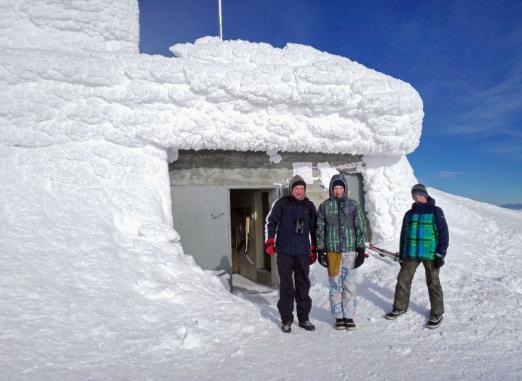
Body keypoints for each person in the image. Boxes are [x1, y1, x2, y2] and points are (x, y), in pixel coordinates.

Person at [385, 183, 449, 329]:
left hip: (430, 254)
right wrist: (402, 254)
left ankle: (437, 313)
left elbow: (444, 233)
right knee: (403, 280)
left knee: (433, 282)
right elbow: (403, 235)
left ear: (425, 195)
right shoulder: (409, 213)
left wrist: (441, 254)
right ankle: (399, 307)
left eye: (419, 194)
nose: (417, 197)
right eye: (414, 195)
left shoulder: (436, 211)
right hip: (411, 253)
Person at [265, 175, 318, 333]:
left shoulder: (309, 206)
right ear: (291, 189)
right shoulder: (281, 203)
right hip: (284, 251)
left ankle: (304, 318)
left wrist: (314, 247)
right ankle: (286, 319)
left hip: (302, 252)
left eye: (302, 188)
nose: (299, 191)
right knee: (287, 286)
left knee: (303, 285)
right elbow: (271, 222)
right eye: (296, 188)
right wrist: (270, 241)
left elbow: (315, 229)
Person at [316, 174, 368, 330]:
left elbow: (361, 227)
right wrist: (320, 250)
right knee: (335, 285)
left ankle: (349, 316)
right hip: (332, 252)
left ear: (345, 189)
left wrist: (360, 248)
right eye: (335, 188)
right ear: (331, 189)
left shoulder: (353, 205)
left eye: (340, 188)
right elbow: (320, 228)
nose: (338, 191)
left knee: (349, 285)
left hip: (349, 252)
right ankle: (339, 317)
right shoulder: (325, 206)